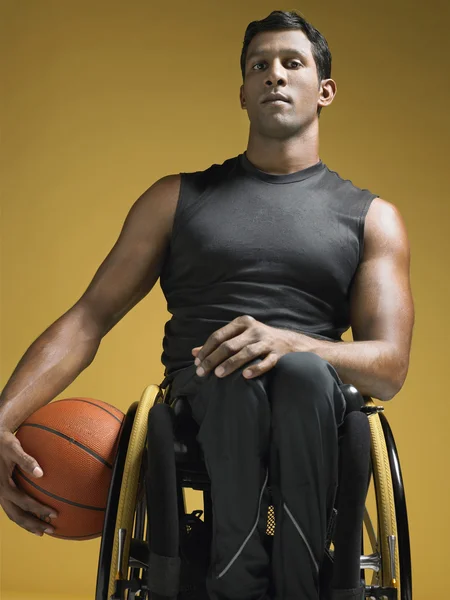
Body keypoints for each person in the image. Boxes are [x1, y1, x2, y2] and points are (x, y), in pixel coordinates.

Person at [0, 9, 414, 600]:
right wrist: (3, 416)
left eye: (292, 63)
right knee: (230, 374)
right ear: (242, 93)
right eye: (259, 65)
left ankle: (295, 582)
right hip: (206, 391)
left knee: (297, 371)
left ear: (324, 91)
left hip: (312, 394)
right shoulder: (175, 199)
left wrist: (290, 341)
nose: (275, 74)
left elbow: (390, 367)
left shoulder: (372, 218)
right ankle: (236, 582)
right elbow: (89, 318)